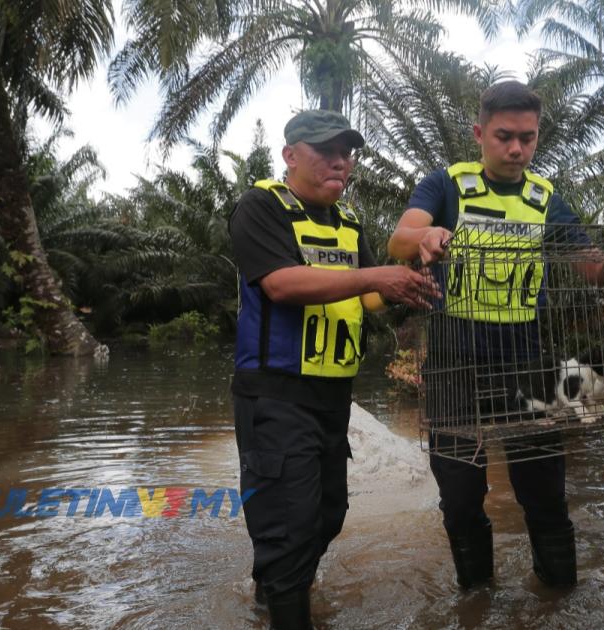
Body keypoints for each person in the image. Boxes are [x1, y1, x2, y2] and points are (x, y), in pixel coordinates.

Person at [388, 80, 604, 591]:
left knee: (545, 494)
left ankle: (557, 598)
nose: (516, 149)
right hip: (452, 365)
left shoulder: (545, 199)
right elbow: (400, 236)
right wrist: (426, 234)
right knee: (462, 499)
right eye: (504, 136)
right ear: (479, 133)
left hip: (527, 364)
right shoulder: (445, 184)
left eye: (527, 138)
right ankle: (477, 602)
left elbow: (592, 269)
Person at [228, 109, 438, 629]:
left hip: (332, 398)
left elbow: (366, 298)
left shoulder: (348, 225)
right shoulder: (261, 207)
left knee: (328, 514)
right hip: (274, 395)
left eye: (347, 153)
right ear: (291, 155)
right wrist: (376, 275)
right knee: (291, 524)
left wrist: (405, 284)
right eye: (325, 151)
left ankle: (270, 592)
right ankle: (284, 602)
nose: (340, 162)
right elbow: (281, 284)